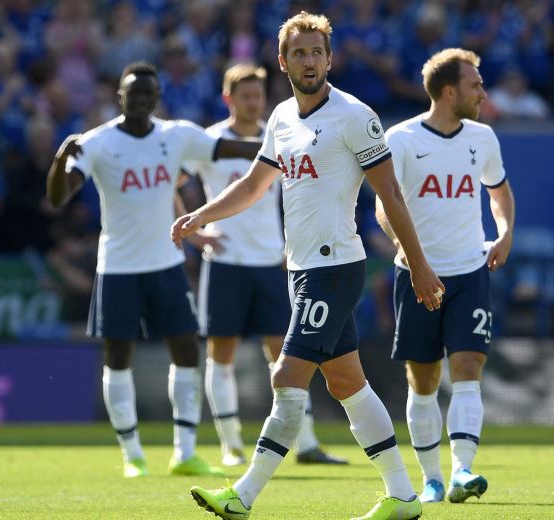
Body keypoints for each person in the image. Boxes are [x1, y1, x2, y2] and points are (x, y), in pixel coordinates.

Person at [172, 11, 444, 520]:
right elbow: (254, 185)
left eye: (317, 51)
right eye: (300, 52)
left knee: (286, 374)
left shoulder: (354, 115)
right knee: (346, 384)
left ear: (329, 58)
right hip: (300, 270)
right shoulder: (279, 118)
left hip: (335, 267)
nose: (310, 60)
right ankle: (404, 496)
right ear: (284, 61)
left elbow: (392, 195)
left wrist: (420, 266)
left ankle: (243, 495)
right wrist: (201, 214)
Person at [45, 61, 261, 479]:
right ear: (121, 96)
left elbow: (230, 149)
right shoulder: (99, 142)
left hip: (166, 264)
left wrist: (280, 150)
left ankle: (184, 452)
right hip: (119, 268)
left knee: (185, 351)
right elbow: (59, 197)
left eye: (149, 93)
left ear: (157, 96)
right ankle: (133, 454)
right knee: (118, 357)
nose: (141, 99)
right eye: (134, 92)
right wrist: (59, 160)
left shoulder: (175, 135)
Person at [184, 63, 346, 467]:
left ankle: (305, 444)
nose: (254, 103)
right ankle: (232, 446)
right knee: (221, 355)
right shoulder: (210, 141)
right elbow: (172, 183)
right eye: (246, 96)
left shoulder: (279, 137)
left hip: (272, 262)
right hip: (224, 262)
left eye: (258, 95)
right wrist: (198, 232)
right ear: (229, 99)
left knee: (288, 356)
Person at [376, 48, 515, 504]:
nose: (483, 92)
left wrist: (506, 232)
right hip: (418, 276)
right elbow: (383, 209)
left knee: (469, 368)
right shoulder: (401, 139)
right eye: (475, 85)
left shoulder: (483, 137)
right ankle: (431, 477)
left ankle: (462, 471)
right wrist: (413, 259)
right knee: (424, 380)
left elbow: (499, 192)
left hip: (470, 271)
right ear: (450, 91)